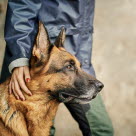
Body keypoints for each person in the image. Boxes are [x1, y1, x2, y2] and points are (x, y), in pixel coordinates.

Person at [0, 0, 114, 136]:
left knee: (101, 130)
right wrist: (20, 56)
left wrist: (80, 63)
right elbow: (23, 4)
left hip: (68, 50)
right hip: (33, 54)